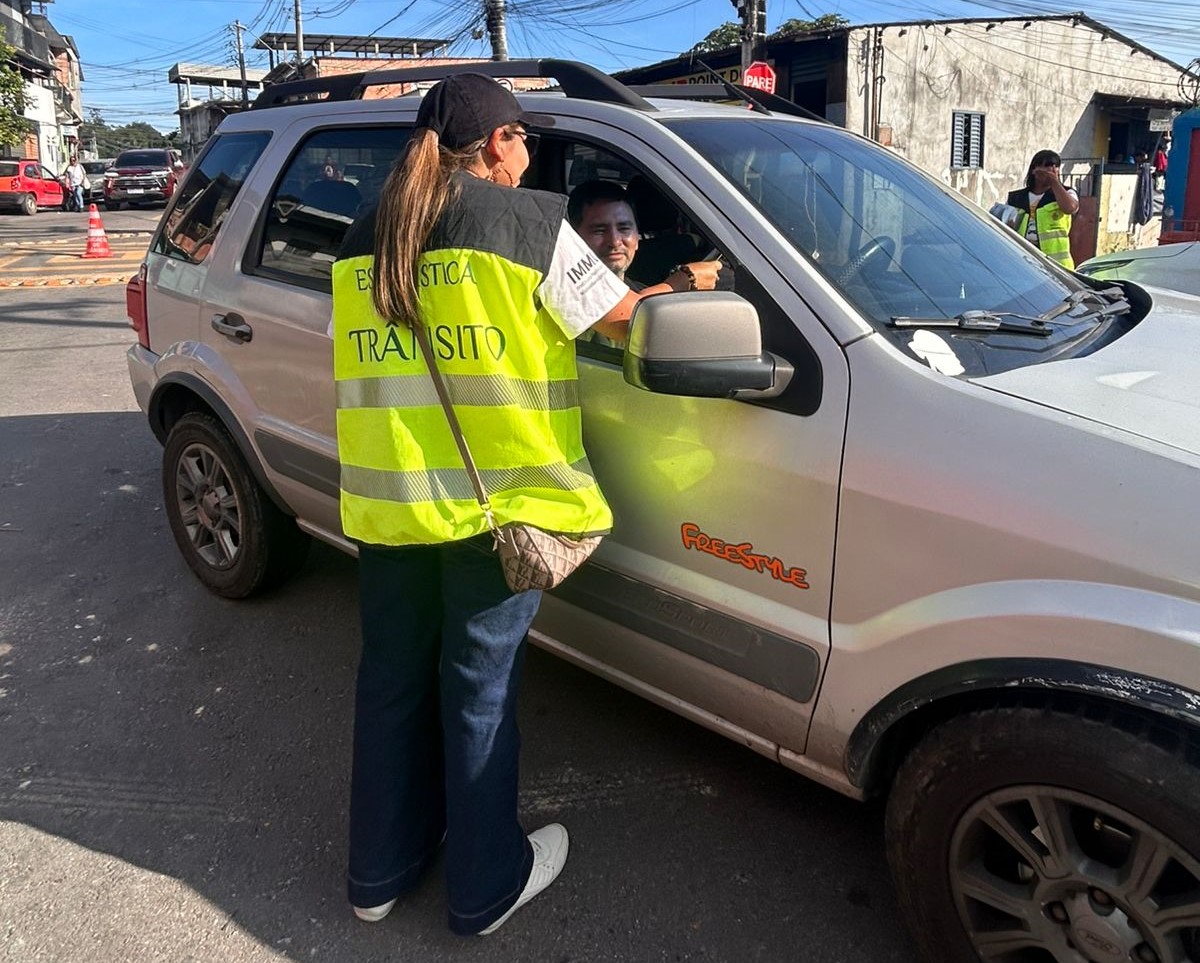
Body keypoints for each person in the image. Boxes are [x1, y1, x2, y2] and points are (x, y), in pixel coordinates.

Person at [329, 73, 717, 938]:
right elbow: (621, 320)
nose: (531, 151)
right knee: (477, 693)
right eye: (525, 138)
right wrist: (689, 281)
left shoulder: (364, 233)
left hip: (390, 507)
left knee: (391, 681)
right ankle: (483, 887)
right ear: (499, 142)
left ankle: (377, 876)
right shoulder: (532, 224)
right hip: (492, 507)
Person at [567, 179, 721, 345]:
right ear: (573, 238)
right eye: (599, 230)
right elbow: (630, 321)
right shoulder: (565, 291)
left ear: (637, 238)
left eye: (624, 228)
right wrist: (684, 279)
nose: (615, 241)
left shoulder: (640, 290)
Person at [1005, 149, 1079, 269]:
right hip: (1023, 261)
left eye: (1055, 167)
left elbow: (1070, 208)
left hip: (1057, 266)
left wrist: (1055, 182)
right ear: (1034, 170)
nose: (1050, 170)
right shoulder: (1016, 197)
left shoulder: (1066, 193)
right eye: (1046, 166)